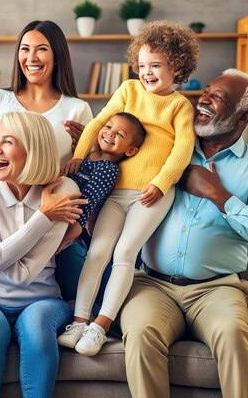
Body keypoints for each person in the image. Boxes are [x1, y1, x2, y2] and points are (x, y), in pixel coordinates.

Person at [118, 69, 248, 398]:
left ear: (243, 117)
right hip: (152, 284)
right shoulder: (168, 147)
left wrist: (218, 195)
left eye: (217, 97)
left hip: (217, 290)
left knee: (235, 337)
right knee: (139, 333)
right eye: (205, 91)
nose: (203, 99)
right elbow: (121, 154)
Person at [58, 21, 199, 356]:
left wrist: (161, 184)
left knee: (124, 254)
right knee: (97, 252)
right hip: (116, 192)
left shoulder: (180, 106)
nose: (146, 72)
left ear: (176, 68)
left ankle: (100, 327)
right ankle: (80, 320)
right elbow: (97, 122)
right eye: (143, 65)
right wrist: (80, 156)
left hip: (152, 195)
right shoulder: (128, 91)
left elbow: (183, 149)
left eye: (156, 66)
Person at [0, 111, 88, 398]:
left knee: (38, 326)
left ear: (33, 149)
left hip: (41, 299)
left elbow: (21, 275)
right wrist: (44, 215)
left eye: (8, 141)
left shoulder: (64, 189)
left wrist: (50, 215)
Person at [0, 19, 93, 300]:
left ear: (57, 56)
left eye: (41, 49)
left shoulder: (77, 109)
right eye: (25, 49)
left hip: (52, 220)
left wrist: (87, 148)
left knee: (81, 278)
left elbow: (89, 174)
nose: (31, 57)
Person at [58, 112, 146, 252]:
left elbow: (86, 204)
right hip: (61, 214)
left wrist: (65, 238)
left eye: (120, 134)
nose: (110, 134)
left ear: (130, 150)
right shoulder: (87, 154)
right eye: (108, 126)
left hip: (77, 228)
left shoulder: (108, 169)